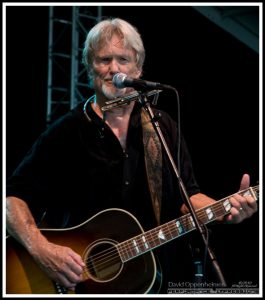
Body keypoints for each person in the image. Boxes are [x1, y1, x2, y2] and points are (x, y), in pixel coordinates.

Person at [6, 17, 257, 294]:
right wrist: (42, 250)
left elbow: (187, 196)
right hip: (77, 284)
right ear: (90, 66)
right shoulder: (66, 132)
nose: (114, 69)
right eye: (104, 59)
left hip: (151, 281)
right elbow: (12, 200)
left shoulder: (161, 126)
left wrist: (225, 211)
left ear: (137, 67)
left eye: (123, 60)